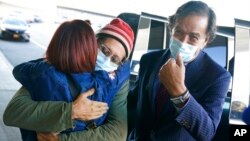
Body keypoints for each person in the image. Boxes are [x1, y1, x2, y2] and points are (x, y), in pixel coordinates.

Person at [3, 18, 134, 141]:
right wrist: (70, 111)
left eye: (115, 59)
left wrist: (61, 139)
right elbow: (14, 112)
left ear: (120, 63)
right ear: (93, 42)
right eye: (104, 50)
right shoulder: (60, 63)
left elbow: (118, 131)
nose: (107, 59)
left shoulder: (118, 81)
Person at [128, 1, 231, 141]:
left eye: (193, 37)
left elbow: (206, 133)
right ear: (171, 29)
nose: (183, 41)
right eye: (178, 32)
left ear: (205, 40)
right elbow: (133, 101)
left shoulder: (217, 76)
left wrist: (179, 93)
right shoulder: (149, 60)